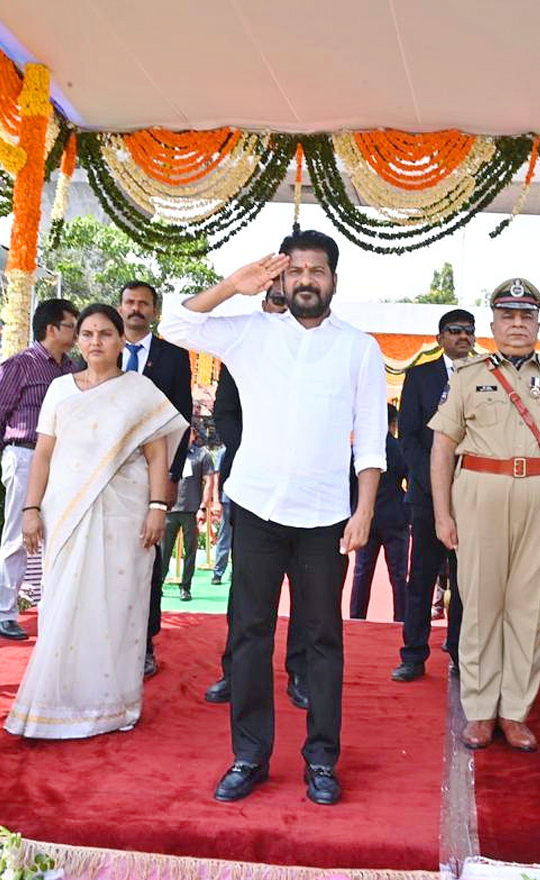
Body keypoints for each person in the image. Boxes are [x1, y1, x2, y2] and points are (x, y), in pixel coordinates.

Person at [161, 229, 386, 806]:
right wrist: (233, 286)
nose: (307, 279)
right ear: (281, 279)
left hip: (326, 519)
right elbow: (177, 326)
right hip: (257, 509)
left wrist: (363, 511)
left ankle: (322, 761)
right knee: (248, 637)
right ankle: (250, 755)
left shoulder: (358, 348)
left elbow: (372, 441)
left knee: (323, 641)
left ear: (334, 279)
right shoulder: (251, 334)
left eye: (318, 270)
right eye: (297, 270)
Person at [4, 303, 187, 739]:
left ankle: (111, 705)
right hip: (66, 508)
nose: (96, 342)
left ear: (122, 340)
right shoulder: (60, 390)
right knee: (63, 600)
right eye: (87, 334)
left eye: (106, 333)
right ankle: (55, 703)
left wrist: (158, 507)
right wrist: (31, 509)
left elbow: (158, 453)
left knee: (117, 603)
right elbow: (44, 453)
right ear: (77, 339)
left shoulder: (140, 391)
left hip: (125, 512)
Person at [430, 278, 540, 753]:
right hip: (481, 492)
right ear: (494, 324)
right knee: (480, 604)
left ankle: (514, 712)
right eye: (508, 316)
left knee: (530, 605)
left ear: (538, 324)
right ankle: (480, 712)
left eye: (526, 317)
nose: (517, 325)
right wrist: (443, 514)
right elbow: (442, 449)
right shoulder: (466, 375)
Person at [204, 291, 309, 710]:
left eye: (288, 304)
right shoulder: (241, 353)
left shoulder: (314, 354)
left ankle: (299, 673)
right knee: (247, 591)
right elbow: (224, 413)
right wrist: (254, 451)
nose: (281, 311)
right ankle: (237, 671)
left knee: (305, 589)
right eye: (275, 302)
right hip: (249, 485)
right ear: (263, 306)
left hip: (304, 491)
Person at [0, 298, 79, 641]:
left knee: (58, 533)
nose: (78, 331)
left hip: (61, 460)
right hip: (25, 454)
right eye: (72, 325)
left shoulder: (71, 369)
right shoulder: (19, 365)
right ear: (52, 329)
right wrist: (7, 450)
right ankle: (4, 613)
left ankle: (51, 609)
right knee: (19, 532)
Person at [393, 309, 475, 682]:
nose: (462, 337)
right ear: (440, 336)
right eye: (455, 331)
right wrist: (434, 480)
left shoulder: (485, 376)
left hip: (473, 496)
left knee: (466, 580)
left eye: (468, 332)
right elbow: (407, 438)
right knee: (421, 576)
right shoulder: (420, 376)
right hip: (427, 496)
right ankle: (413, 654)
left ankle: (460, 652)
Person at [117, 280, 194, 677]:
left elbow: (182, 419)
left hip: (153, 475)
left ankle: (144, 642)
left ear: (154, 311)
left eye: (144, 304)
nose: (136, 309)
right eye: (130, 302)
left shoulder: (174, 358)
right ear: (120, 306)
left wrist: (172, 475)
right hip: (107, 477)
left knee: (148, 554)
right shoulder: (101, 351)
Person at [349, 404, 409, 621]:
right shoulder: (400, 447)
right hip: (395, 518)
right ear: (393, 423)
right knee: (399, 575)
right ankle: (401, 618)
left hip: (367, 518)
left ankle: (356, 617)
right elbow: (409, 479)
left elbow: (350, 482)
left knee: (362, 572)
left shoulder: (360, 449)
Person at [160, 428, 214, 602]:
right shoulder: (170, 453)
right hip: (170, 510)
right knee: (163, 551)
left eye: (188, 432)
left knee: (190, 551)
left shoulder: (202, 455)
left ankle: (185, 587)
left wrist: (203, 507)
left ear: (194, 435)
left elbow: (209, 482)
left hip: (191, 510)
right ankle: (158, 584)